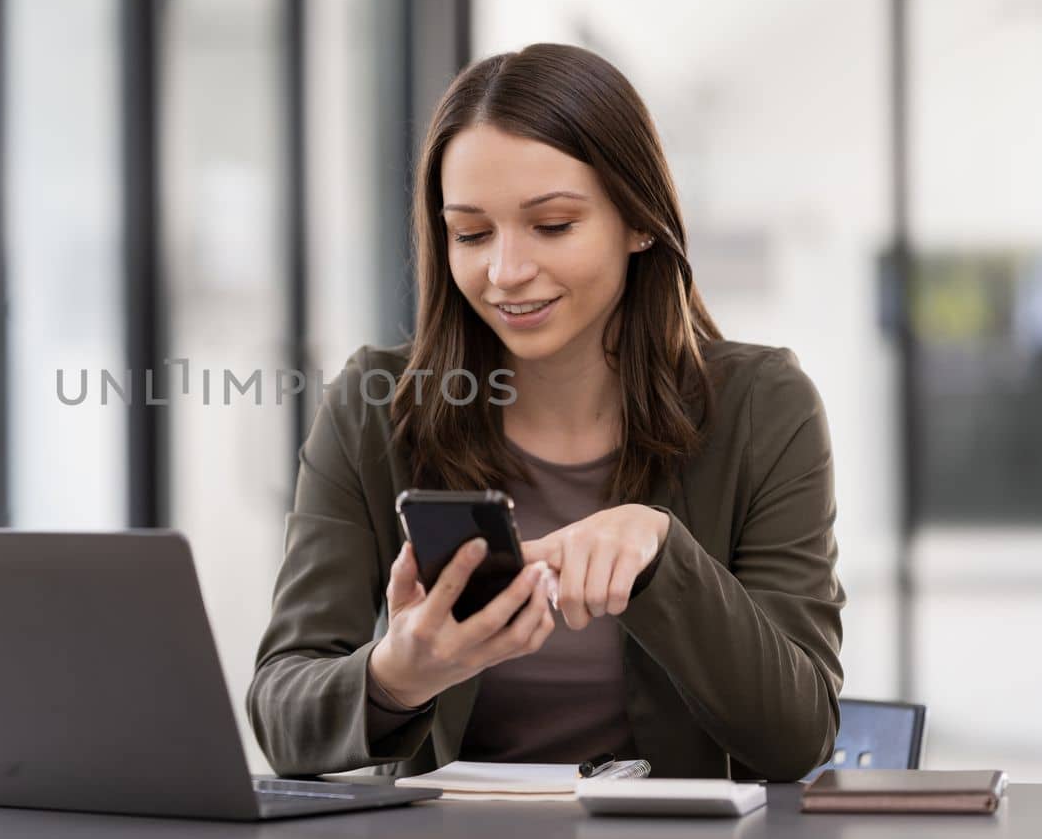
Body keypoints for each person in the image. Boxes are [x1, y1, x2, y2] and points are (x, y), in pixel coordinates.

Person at [246, 43, 845, 782]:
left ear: (640, 220)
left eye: (553, 225)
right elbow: (281, 712)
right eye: (470, 233)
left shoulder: (763, 407)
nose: (505, 271)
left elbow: (798, 735)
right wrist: (396, 675)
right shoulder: (376, 406)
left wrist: (664, 555)